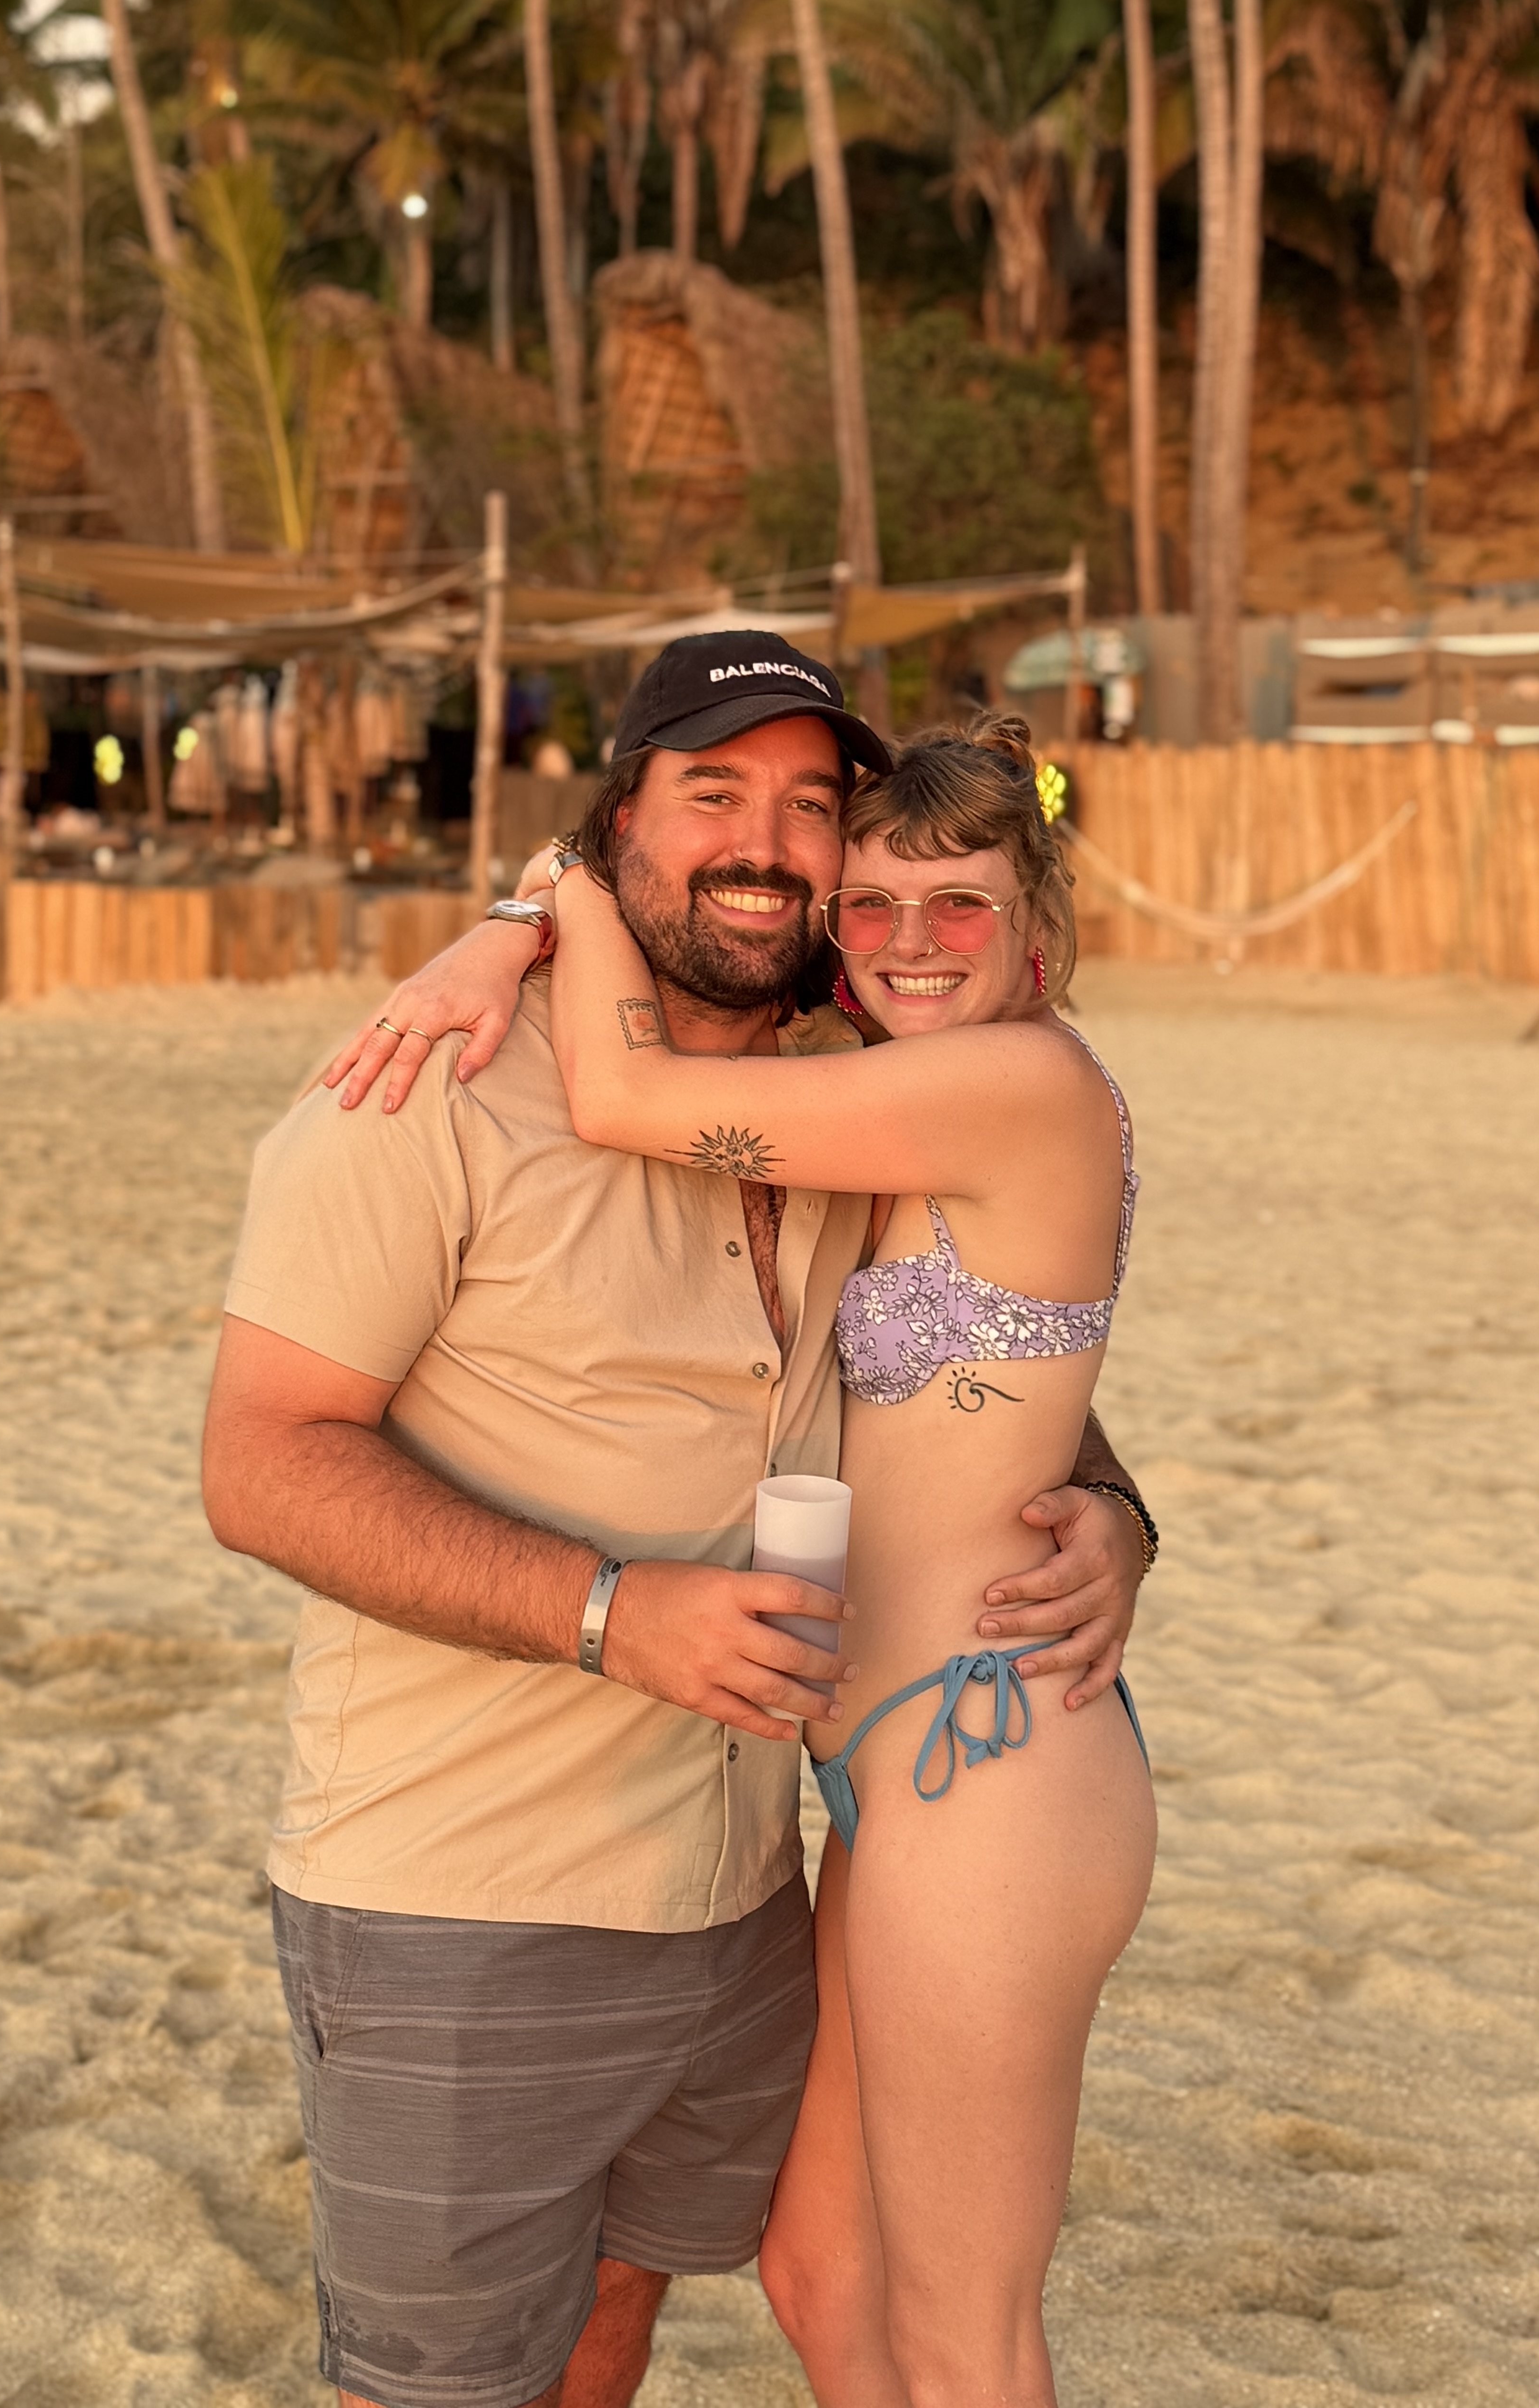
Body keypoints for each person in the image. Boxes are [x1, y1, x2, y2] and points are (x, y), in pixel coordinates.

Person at [206, 633, 1151, 2408]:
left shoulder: (918, 1093)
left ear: (1037, 931)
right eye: (714, 794)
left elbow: (1013, 1377)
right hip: (504, 1879)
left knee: (936, 2332)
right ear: (623, 813)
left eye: (814, 812)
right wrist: (529, 915)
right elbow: (258, 1462)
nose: (789, 857)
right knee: (805, 2277)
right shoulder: (451, 1093)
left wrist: (1113, 1513)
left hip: (918, 1789)